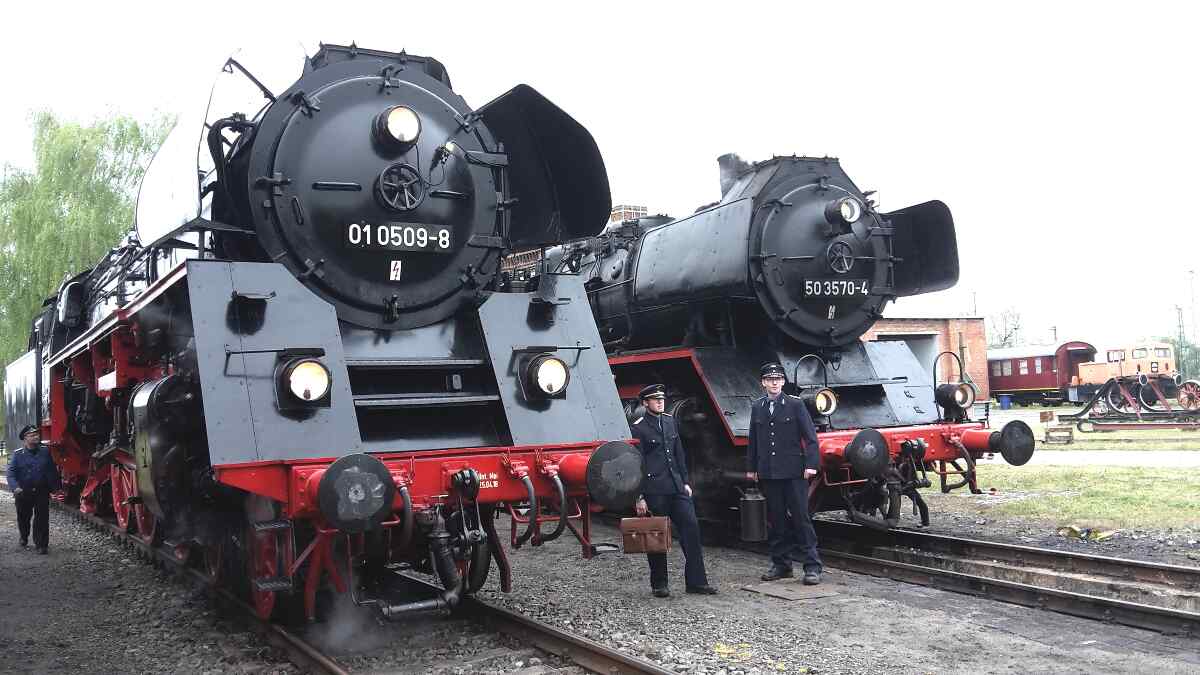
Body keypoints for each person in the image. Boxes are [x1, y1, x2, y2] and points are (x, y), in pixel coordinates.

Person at [631, 384, 718, 598]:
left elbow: (679, 454)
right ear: (645, 403)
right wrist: (639, 496)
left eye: (661, 399)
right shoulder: (639, 428)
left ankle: (697, 582)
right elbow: (636, 463)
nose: (660, 402)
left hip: (676, 487)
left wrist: (685, 482)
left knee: (691, 529)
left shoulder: (670, 422)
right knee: (656, 536)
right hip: (654, 490)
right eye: (655, 399)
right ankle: (659, 584)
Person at [746, 363, 823, 584]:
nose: (774, 383)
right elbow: (754, 440)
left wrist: (811, 465)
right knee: (776, 520)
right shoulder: (757, 407)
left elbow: (811, 438)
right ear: (763, 382)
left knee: (801, 519)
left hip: (793, 473)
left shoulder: (795, 404)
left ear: (782, 382)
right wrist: (752, 468)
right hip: (769, 473)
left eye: (778, 379)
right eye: (770, 379)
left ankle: (812, 566)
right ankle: (781, 564)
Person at [6, 425, 61, 554]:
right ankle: (24, 536)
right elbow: (11, 474)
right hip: (23, 491)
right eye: (32, 435)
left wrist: (56, 488)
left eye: (37, 434)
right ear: (25, 439)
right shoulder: (18, 454)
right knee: (24, 517)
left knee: (42, 518)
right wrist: (15, 488)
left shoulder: (45, 451)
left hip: (41, 490)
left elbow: (51, 470)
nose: (36, 437)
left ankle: (41, 545)